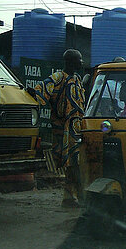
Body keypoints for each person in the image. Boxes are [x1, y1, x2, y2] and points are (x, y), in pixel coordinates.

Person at [29, 49, 86, 208]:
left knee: (76, 164)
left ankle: (70, 197)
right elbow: (41, 90)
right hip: (64, 130)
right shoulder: (58, 77)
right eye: (79, 60)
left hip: (77, 130)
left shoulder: (77, 79)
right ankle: (76, 197)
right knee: (72, 164)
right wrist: (33, 94)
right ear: (70, 61)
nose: (81, 63)